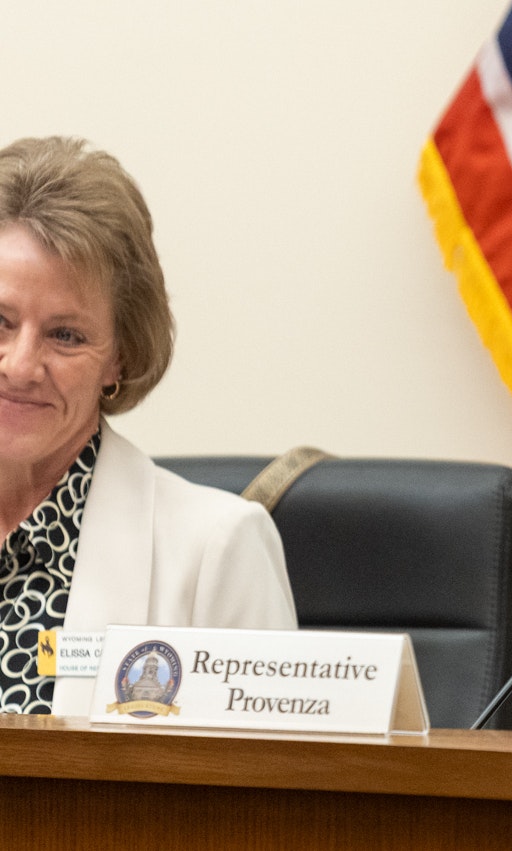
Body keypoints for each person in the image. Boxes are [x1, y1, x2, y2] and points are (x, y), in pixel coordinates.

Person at [0, 136, 297, 716]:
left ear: (120, 358)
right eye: (0, 320)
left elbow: (271, 800)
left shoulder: (217, 550)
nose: (19, 366)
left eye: (66, 336)